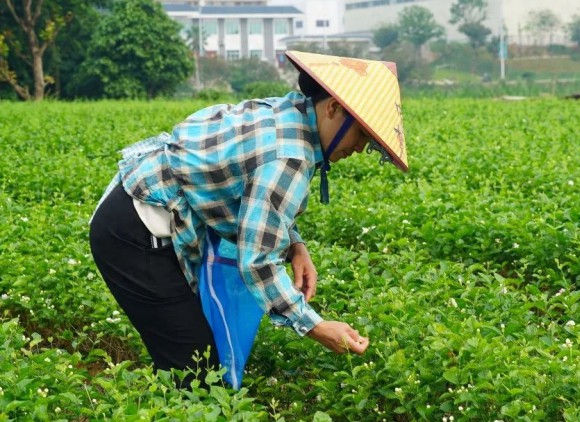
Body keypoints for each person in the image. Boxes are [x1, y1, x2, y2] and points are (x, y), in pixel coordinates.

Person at [88, 51, 409, 385]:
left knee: (192, 359)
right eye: (361, 135)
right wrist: (314, 325)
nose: (359, 149)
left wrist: (296, 246)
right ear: (333, 108)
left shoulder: (290, 114)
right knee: (194, 369)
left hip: (133, 208)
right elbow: (257, 260)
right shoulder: (290, 155)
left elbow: (255, 199)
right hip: (134, 233)